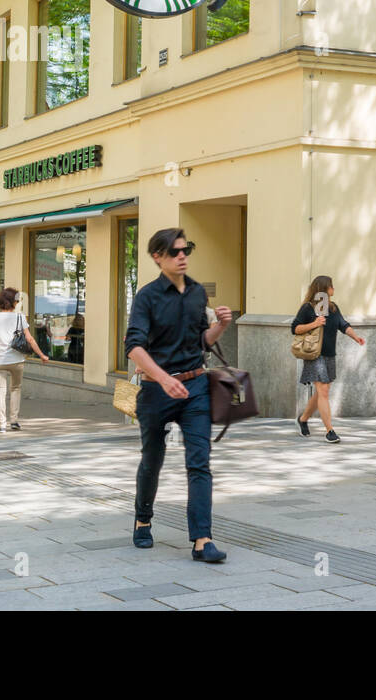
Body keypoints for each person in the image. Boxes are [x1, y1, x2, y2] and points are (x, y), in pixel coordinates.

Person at [126, 228, 233, 563]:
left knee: (199, 462)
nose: (182, 256)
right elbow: (134, 347)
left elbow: (201, 341)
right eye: (174, 252)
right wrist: (162, 378)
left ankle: (202, 539)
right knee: (152, 460)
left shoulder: (198, 293)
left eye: (185, 250)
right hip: (157, 391)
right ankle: (143, 519)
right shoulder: (147, 297)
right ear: (158, 257)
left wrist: (221, 327)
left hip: (196, 387)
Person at [292, 274, 365, 444]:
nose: (334, 289)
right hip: (314, 355)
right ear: (324, 289)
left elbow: (343, 324)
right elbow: (295, 328)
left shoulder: (333, 308)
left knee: (321, 392)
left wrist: (355, 337)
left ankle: (303, 419)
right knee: (323, 391)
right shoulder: (308, 308)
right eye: (331, 286)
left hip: (329, 355)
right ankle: (330, 431)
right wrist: (314, 324)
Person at [0, 287, 49, 432]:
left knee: (0, 391)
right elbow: (29, 339)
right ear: (14, 302)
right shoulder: (20, 317)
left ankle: (2, 425)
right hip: (16, 360)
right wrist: (42, 355)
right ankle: (14, 421)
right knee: (15, 389)